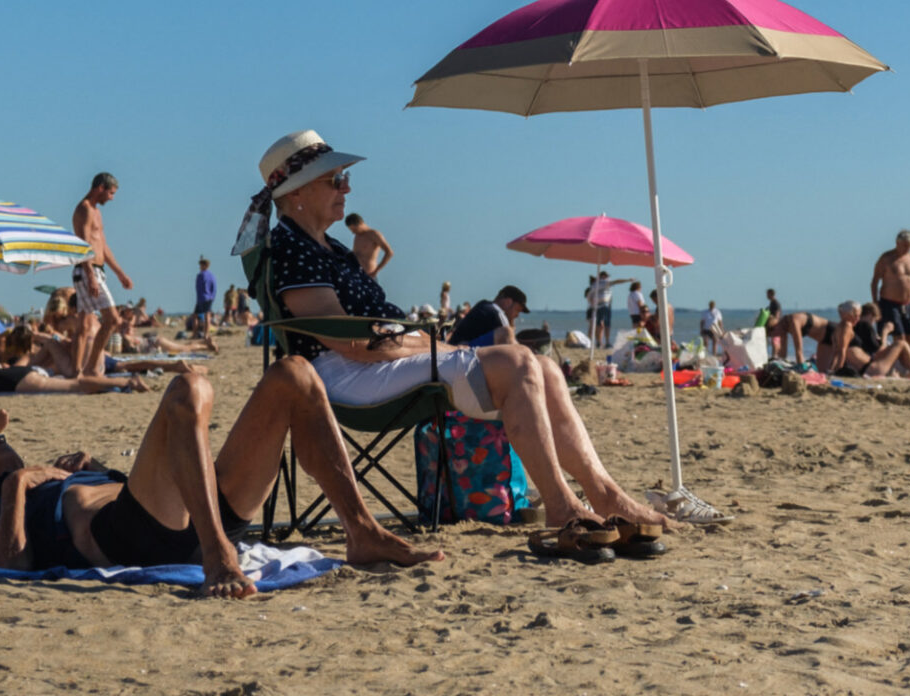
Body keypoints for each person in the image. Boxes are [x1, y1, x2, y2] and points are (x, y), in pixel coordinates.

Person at [255, 129, 672, 533]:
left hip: (383, 358)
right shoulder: (292, 248)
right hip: (345, 374)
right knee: (517, 362)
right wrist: (426, 344)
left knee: (543, 367)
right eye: (335, 180)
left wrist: (424, 343)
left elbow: (372, 334)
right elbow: (348, 340)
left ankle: (604, 494)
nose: (346, 188)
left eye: (344, 177)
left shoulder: (331, 247)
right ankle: (561, 505)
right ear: (297, 193)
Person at [0, 358, 443, 599]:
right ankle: (217, 553)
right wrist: (19, 483)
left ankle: (362, 531)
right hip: (135, 536)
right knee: (188, 390)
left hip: (184, 508)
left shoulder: (50, 477)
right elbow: (12, 565)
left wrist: (86, 469)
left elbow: (140, 480)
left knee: (295, 374)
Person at [0, 331, 154, 395]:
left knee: (74, 386)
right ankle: (125, 382)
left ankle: (127, 382)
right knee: (74, 385)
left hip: (15, 380)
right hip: (13, 378)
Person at [72, 172, 134, 380]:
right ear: (100, 188)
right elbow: (83, 245)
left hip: (96, 270)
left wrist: (120, 274)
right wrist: (90, 274)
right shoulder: (85, 209)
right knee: (112, 319)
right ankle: (90, 368)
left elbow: (103, 247)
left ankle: (76, 371)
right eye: (111, 193)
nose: (112, 198)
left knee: (84, 324)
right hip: (87, 270)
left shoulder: (97, 212)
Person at [824, 301, 910, 379]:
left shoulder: (838, 328)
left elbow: (836, 352)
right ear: (847, 314)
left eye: (859, 315)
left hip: (867, 368)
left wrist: (830, 370)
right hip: (871, 369)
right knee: (901, 343)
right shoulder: (847, 327)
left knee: (899, 347)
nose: (857, 318)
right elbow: (842, 351)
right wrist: (838, 371)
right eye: (855, 315)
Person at [870, 230, 910, 347]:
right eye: (905, 245)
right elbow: (874, 282)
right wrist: (875, 303)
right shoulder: (886, 258)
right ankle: (894, 356)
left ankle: (902, 357)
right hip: (889, 303)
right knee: (899, 337)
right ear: (897, 243)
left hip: (907, 304)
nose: (907, 248)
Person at [451, 285, 529, 347]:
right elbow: (509, 340)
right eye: (517, 310)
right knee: (506, 332)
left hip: (455, 348)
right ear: (508, 302)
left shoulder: (483, 305)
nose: (517, 315)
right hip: (462, 352)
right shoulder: (496, 313)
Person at [343, 213, 394, 278]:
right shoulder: (357, 236)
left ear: (360, 223)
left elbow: (389, 252)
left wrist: (377, 270)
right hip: (354, 274)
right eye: (352, 230)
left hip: (369, 274)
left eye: (354, 229)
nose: (353, 232)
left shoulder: (374, 234)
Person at [590, 272, 629, 350]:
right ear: (602, 276)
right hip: (601, 306)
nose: (607, 278)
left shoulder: (598, 285)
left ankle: (602, 342)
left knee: (603, 325)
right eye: (606, 276)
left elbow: (591, 296)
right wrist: (628, 280)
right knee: (602, 325)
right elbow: (617, 281)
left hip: (603, 306)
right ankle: (602, 342)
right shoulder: (602, 283)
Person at [193, 258, 218, 334]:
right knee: (207, 315)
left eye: (201, 265)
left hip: (202, 298)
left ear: (204, 265)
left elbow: (198, 288)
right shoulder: (212, 275)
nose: (200, 267)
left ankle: (195, 334)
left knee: (196, 316)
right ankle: (206, 334)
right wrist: (212, 297)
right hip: (209, 298)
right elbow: (214, 288)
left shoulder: (200, 275)